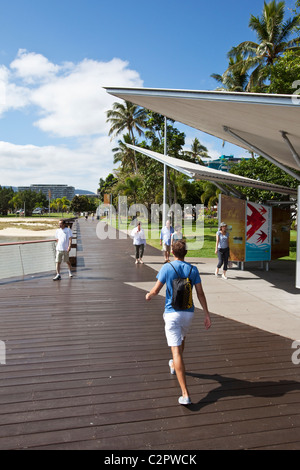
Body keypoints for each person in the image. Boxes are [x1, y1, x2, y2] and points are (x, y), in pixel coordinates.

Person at [146, 240, 211, 406]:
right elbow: (201, 293)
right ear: (185, 253)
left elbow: (156, 289)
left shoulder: (167, 267)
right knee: (181, 339)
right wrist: (207, 314)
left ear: (173, 253)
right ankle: (174, 364)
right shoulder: (193, 269)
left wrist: (149, 295)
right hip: (188, 313)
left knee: (175, 351)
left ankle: (185, 394)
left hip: (172, 313)